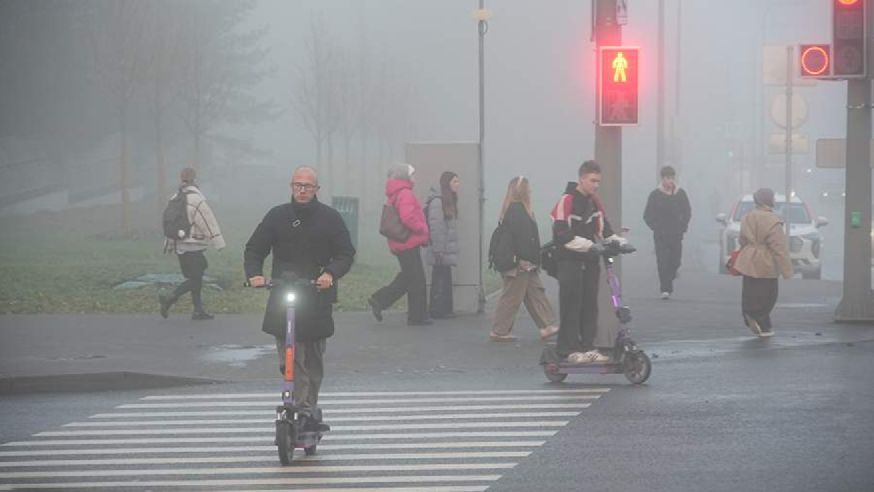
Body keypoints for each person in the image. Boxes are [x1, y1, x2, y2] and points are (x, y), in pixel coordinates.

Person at [243, 166, 355, 418]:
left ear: (316, 189)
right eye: (298, 185)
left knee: (312, 359)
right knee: (290, 358)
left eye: (308, 186)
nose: (302, 190)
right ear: (291, 186)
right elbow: (254, 249)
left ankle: (307, 408)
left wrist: (330, 274)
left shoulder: (330, 218)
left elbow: (345, 253)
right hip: (284, 294)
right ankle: (297, 404)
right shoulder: (277, 216)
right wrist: (254, 274)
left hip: (316, 296)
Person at [550, 160, 626, 363]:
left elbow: (604, 231)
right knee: (571, 304)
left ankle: (588, 347)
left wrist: (620, 243)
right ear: (581, 179)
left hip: (590, 261)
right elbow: (562, 235)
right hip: (569, 261)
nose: (596, 185)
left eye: (598, 181)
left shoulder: (594, 202)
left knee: (590, 305)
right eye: (592, 180)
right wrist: (589, 246)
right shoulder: (566, 201)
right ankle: (568, 349)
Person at [490, 176, 559, 342]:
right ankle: (499, 330)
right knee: (512, 296)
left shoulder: (510, 210)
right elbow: (525, 239)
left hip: (520, 262)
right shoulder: (519, 211)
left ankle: (547, 325)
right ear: (524, 192)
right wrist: (529, 260)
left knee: (535, 292)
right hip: (521, 263)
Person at [368, 164, 431, 326]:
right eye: (412, 175)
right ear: (405, 177)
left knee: (408, 277)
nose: (415, 179)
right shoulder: (406, 194)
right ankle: (417, 316)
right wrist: (423, 228)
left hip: (400, 242)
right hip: (408, 242)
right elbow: (408, 217)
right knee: (417, 280)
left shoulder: (395, 194)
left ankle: (380, 300)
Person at [159, 167, 225, 320]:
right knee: (196, 278)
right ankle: (170, 298)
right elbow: (208, 222)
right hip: (194, 245)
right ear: (194, 179)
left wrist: (169, 244)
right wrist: (218, 241)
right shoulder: (197, 199)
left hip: (180, 245)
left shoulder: (175, 197)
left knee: (196, 277)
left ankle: (198, 310)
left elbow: (171, 223)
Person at [733, 188, 792, 338]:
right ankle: (761, 320)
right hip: (766, 262)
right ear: (768, 200)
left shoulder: (747, 217)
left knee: (750, 291)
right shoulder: (773, 220)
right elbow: (779, 247)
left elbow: (742, 239)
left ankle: (752, 316)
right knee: (769, 294)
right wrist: (787, 270)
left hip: (749, 258)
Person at [643, 165, 691, 299]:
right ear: (662, 179)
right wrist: (656, 226)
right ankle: (665, 289)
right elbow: (647, 215)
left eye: (672, 178)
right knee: (662, 261)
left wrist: (683, 226)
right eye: (667, 178)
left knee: (676, 261)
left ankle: (670, 276)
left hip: (676, 234)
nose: (670, 181)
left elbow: (687, 211)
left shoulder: (680, 194)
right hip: (661, 235)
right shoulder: (655, 195)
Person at [425, 171, 460, 319]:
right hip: (440, 249)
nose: (458, 184)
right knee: (440, 278)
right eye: (455, 181)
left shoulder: (448, 200)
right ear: (447, 183)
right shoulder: (438, 202)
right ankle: (437, 309)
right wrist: (438, 249)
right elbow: (436, 227)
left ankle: (444, 309)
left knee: (444, 277)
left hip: (445, 248)